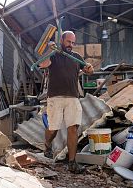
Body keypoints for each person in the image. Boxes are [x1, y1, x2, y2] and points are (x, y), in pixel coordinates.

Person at [39, 31, 94, 174]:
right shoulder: (54, 55)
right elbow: (43, 64)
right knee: (53, 129)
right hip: (55, 98)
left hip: (73, 98)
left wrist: (89, 69)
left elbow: (88, 70)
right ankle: (47, 145)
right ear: (62, 40)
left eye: (73, 43)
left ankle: (72, 162)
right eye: (68, 42)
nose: (71, 45)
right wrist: (49, 50)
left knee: (73, 128)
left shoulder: (76, 57)